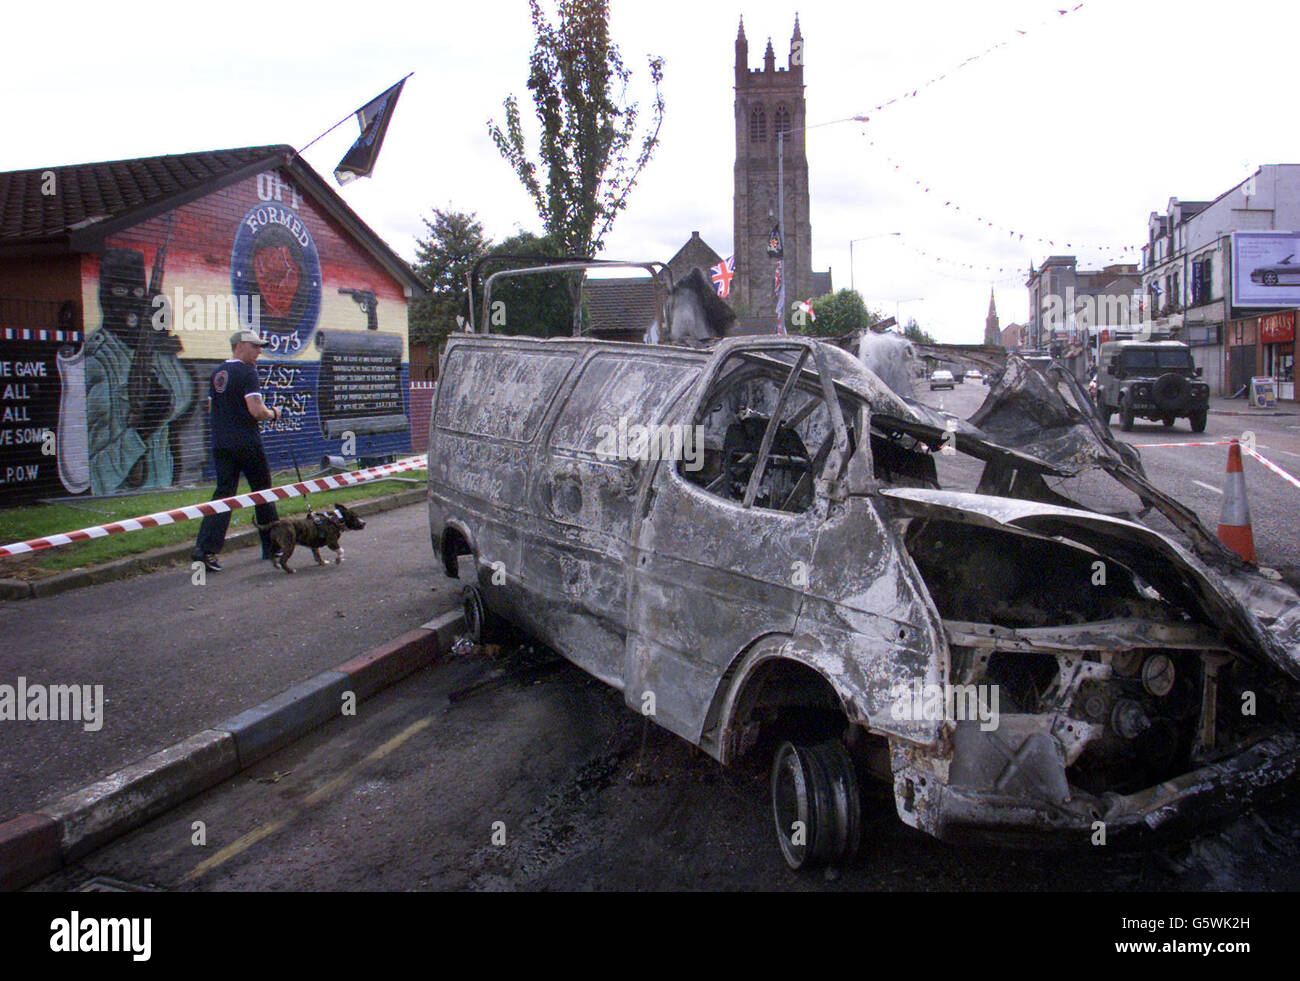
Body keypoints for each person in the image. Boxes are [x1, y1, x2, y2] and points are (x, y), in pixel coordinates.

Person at [191, 331, 282, 570]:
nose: (259, 351)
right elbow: (256, 410)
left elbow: (212, 408)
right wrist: (273, 413)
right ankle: (273, 546)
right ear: (240, 346)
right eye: (255, 346)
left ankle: (205, 550)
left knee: (223, 496)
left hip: (222, 444)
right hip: (247, 443)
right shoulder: (247, 372)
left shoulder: (217, 373)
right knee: (263, 493)